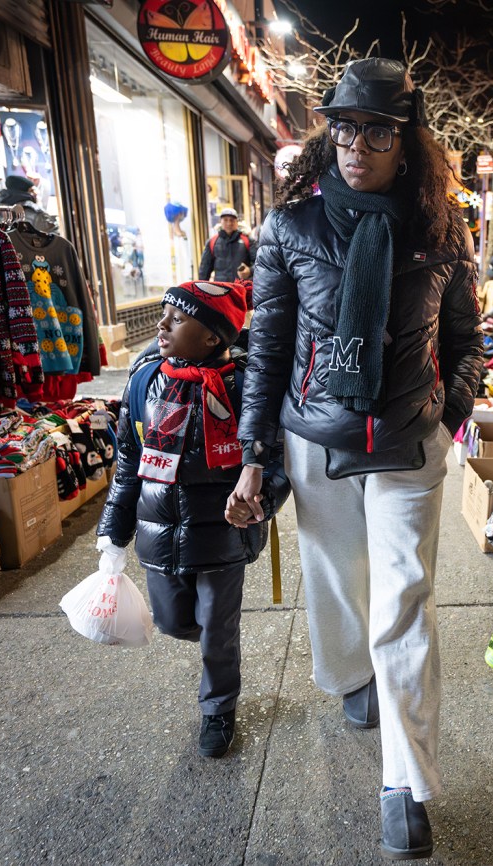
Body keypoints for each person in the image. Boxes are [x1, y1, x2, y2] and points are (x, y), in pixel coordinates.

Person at [224, 58, 483, 861]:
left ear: (407, 142)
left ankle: (405, 784)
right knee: (339, 587)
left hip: (408, 442)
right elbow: (265, 347)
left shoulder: (442, 229)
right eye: (343, 127)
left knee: (404, 601)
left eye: (376, 130)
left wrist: (453, 410)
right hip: (316, 440)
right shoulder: (291, 228)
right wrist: (253, 455)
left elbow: (468, 339)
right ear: (326, 132)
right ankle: (349, 679)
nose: (356, 144)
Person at [96, 280, 287, 760]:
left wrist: (259, 499)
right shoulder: (143, 381)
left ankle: (218, 708)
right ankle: (211, 639)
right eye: (164, 315)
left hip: (223, 536)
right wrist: (112, 537)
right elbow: (127, 465)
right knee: (174, 621)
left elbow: (279, 463)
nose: (161, 326)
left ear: (212, 337)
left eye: (177, 319)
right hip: (157, 532)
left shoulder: (247, 387)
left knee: (217, 627)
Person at [199, 207, 253, 282]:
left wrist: (250, 271)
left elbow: (259, 263)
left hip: (242, 289)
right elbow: (204, 269)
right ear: (220, 221)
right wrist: (201, 290)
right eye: (225, 220)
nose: (229, 223)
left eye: (232, 220)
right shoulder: (212, 242)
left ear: (237, 222)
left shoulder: (247, 241)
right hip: (220, 290)